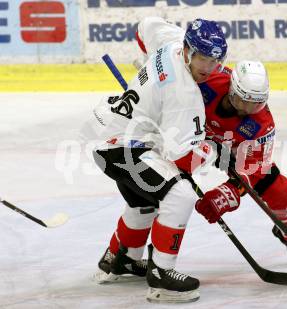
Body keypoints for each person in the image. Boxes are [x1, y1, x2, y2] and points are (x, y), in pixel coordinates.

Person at [85, 17, 227, 303]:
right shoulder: (184, 93)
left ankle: (122, 259)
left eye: (214, 61)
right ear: (188, 50)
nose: (207, 69)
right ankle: (162, 274)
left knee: (147, 199)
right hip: (125, 147)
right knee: (179, 193)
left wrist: (151, 79)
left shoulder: (171, 41)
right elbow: (184, 160)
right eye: (201, 59)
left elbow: (144, 25)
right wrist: (213, 150)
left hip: (109, 139)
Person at [194, 60, 287, 263]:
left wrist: (228, 192)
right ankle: (137, 253)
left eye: (257, 102)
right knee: (162, 190)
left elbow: (254, 170)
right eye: (244, 101)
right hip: (183, 135)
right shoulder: (210, 78)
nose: (249, 108)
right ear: (232, 90)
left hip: (227, 149)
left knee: (279, 188)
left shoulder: (261, 124)